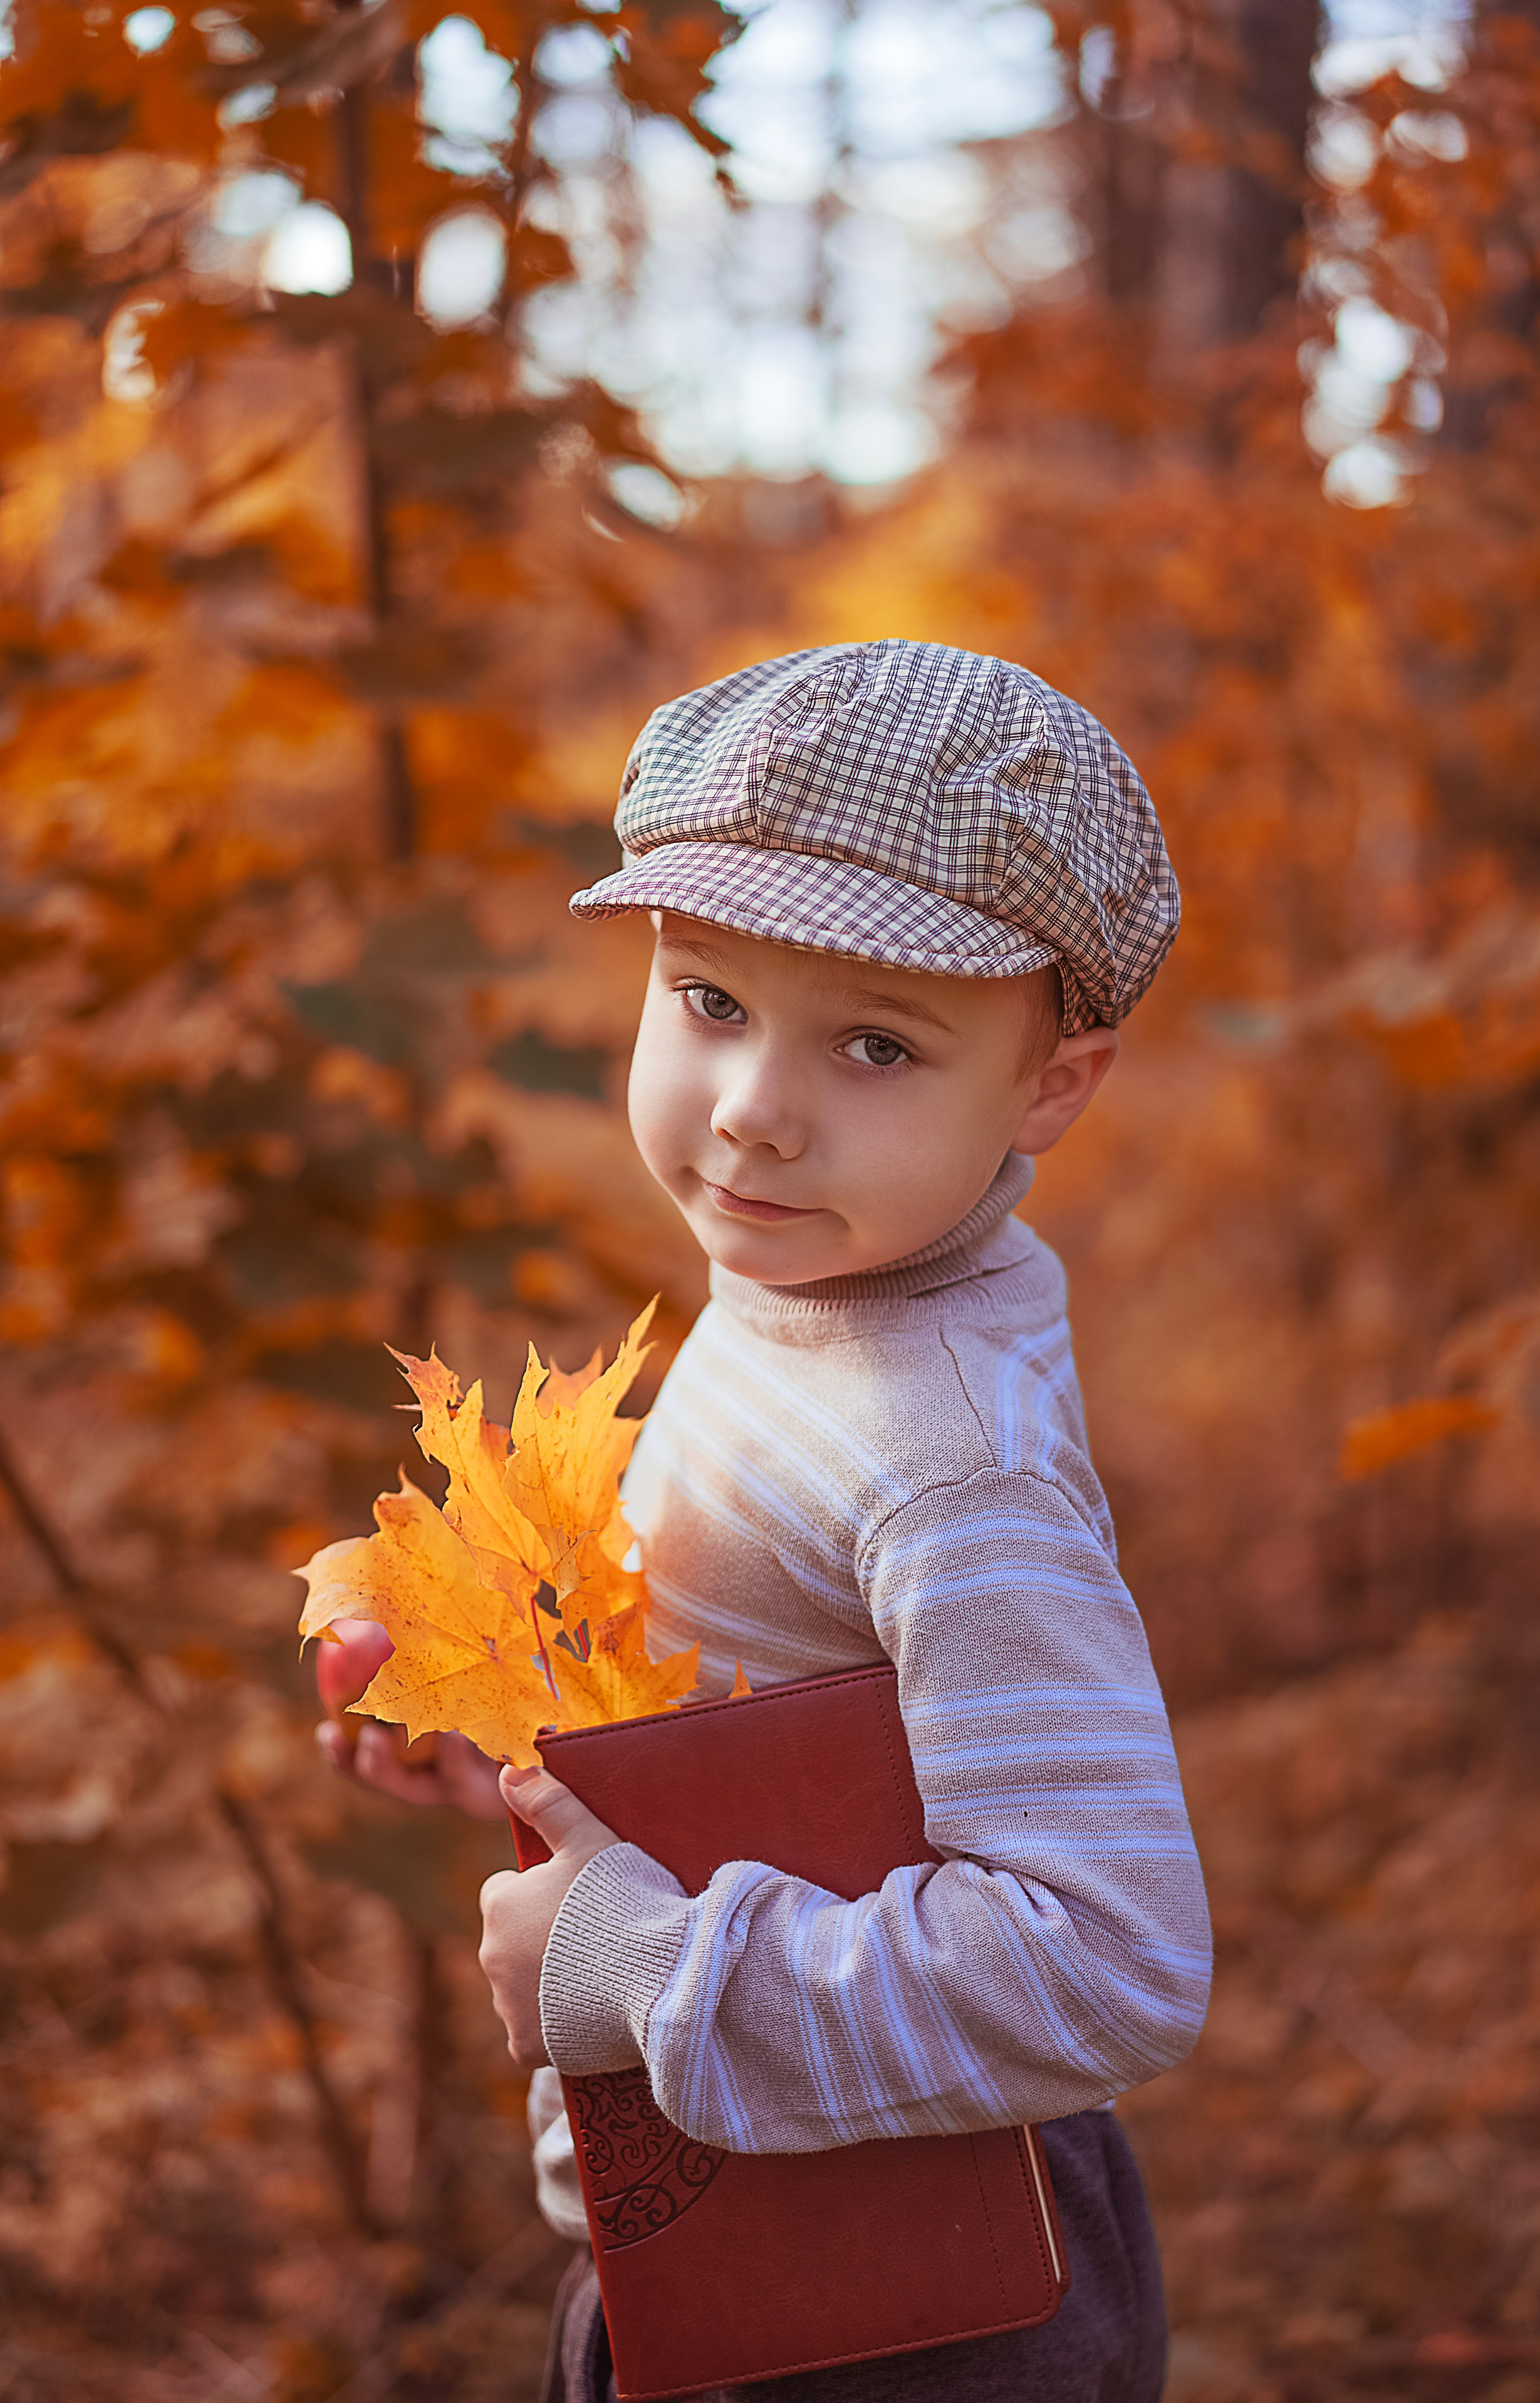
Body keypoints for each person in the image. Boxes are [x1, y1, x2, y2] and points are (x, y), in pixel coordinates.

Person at [323, 640, 1212, 2402]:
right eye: (711, 1000)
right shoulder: (830, 1281)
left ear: (1053, 1084)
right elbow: (786, 1724)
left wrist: (643, 1962)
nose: (753, 1110)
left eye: (878, 1042)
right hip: (736, 2234)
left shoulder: (954, 1462)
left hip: (910, 2298)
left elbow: (1112, 1963)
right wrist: (532, 1748)